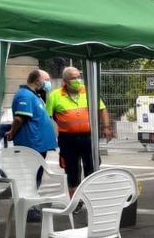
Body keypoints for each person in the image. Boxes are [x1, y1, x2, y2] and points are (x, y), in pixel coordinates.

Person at [46, 66, 112, 195]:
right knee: (72, 171)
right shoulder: (55, 96)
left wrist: (106, 127)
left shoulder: (89, 92)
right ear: (65, 81)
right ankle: (75, 201)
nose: (77, 80)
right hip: (67, 139)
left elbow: (102, 109)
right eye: (73, 78)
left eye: (78, 77)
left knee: (92, 167)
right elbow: (48, 117)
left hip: (88, 137)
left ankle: (91, 197)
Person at [6, 70, 58, 219]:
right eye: (47, 79)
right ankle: (28, 209)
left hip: (38, 144)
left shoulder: (34, 95)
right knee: (30, 177)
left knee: (36, 176)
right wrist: (12, 132)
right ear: (37, 80)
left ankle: (31, 205)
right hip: (32, 144)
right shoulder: (24, 95)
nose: (48, 83)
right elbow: (18, 119)